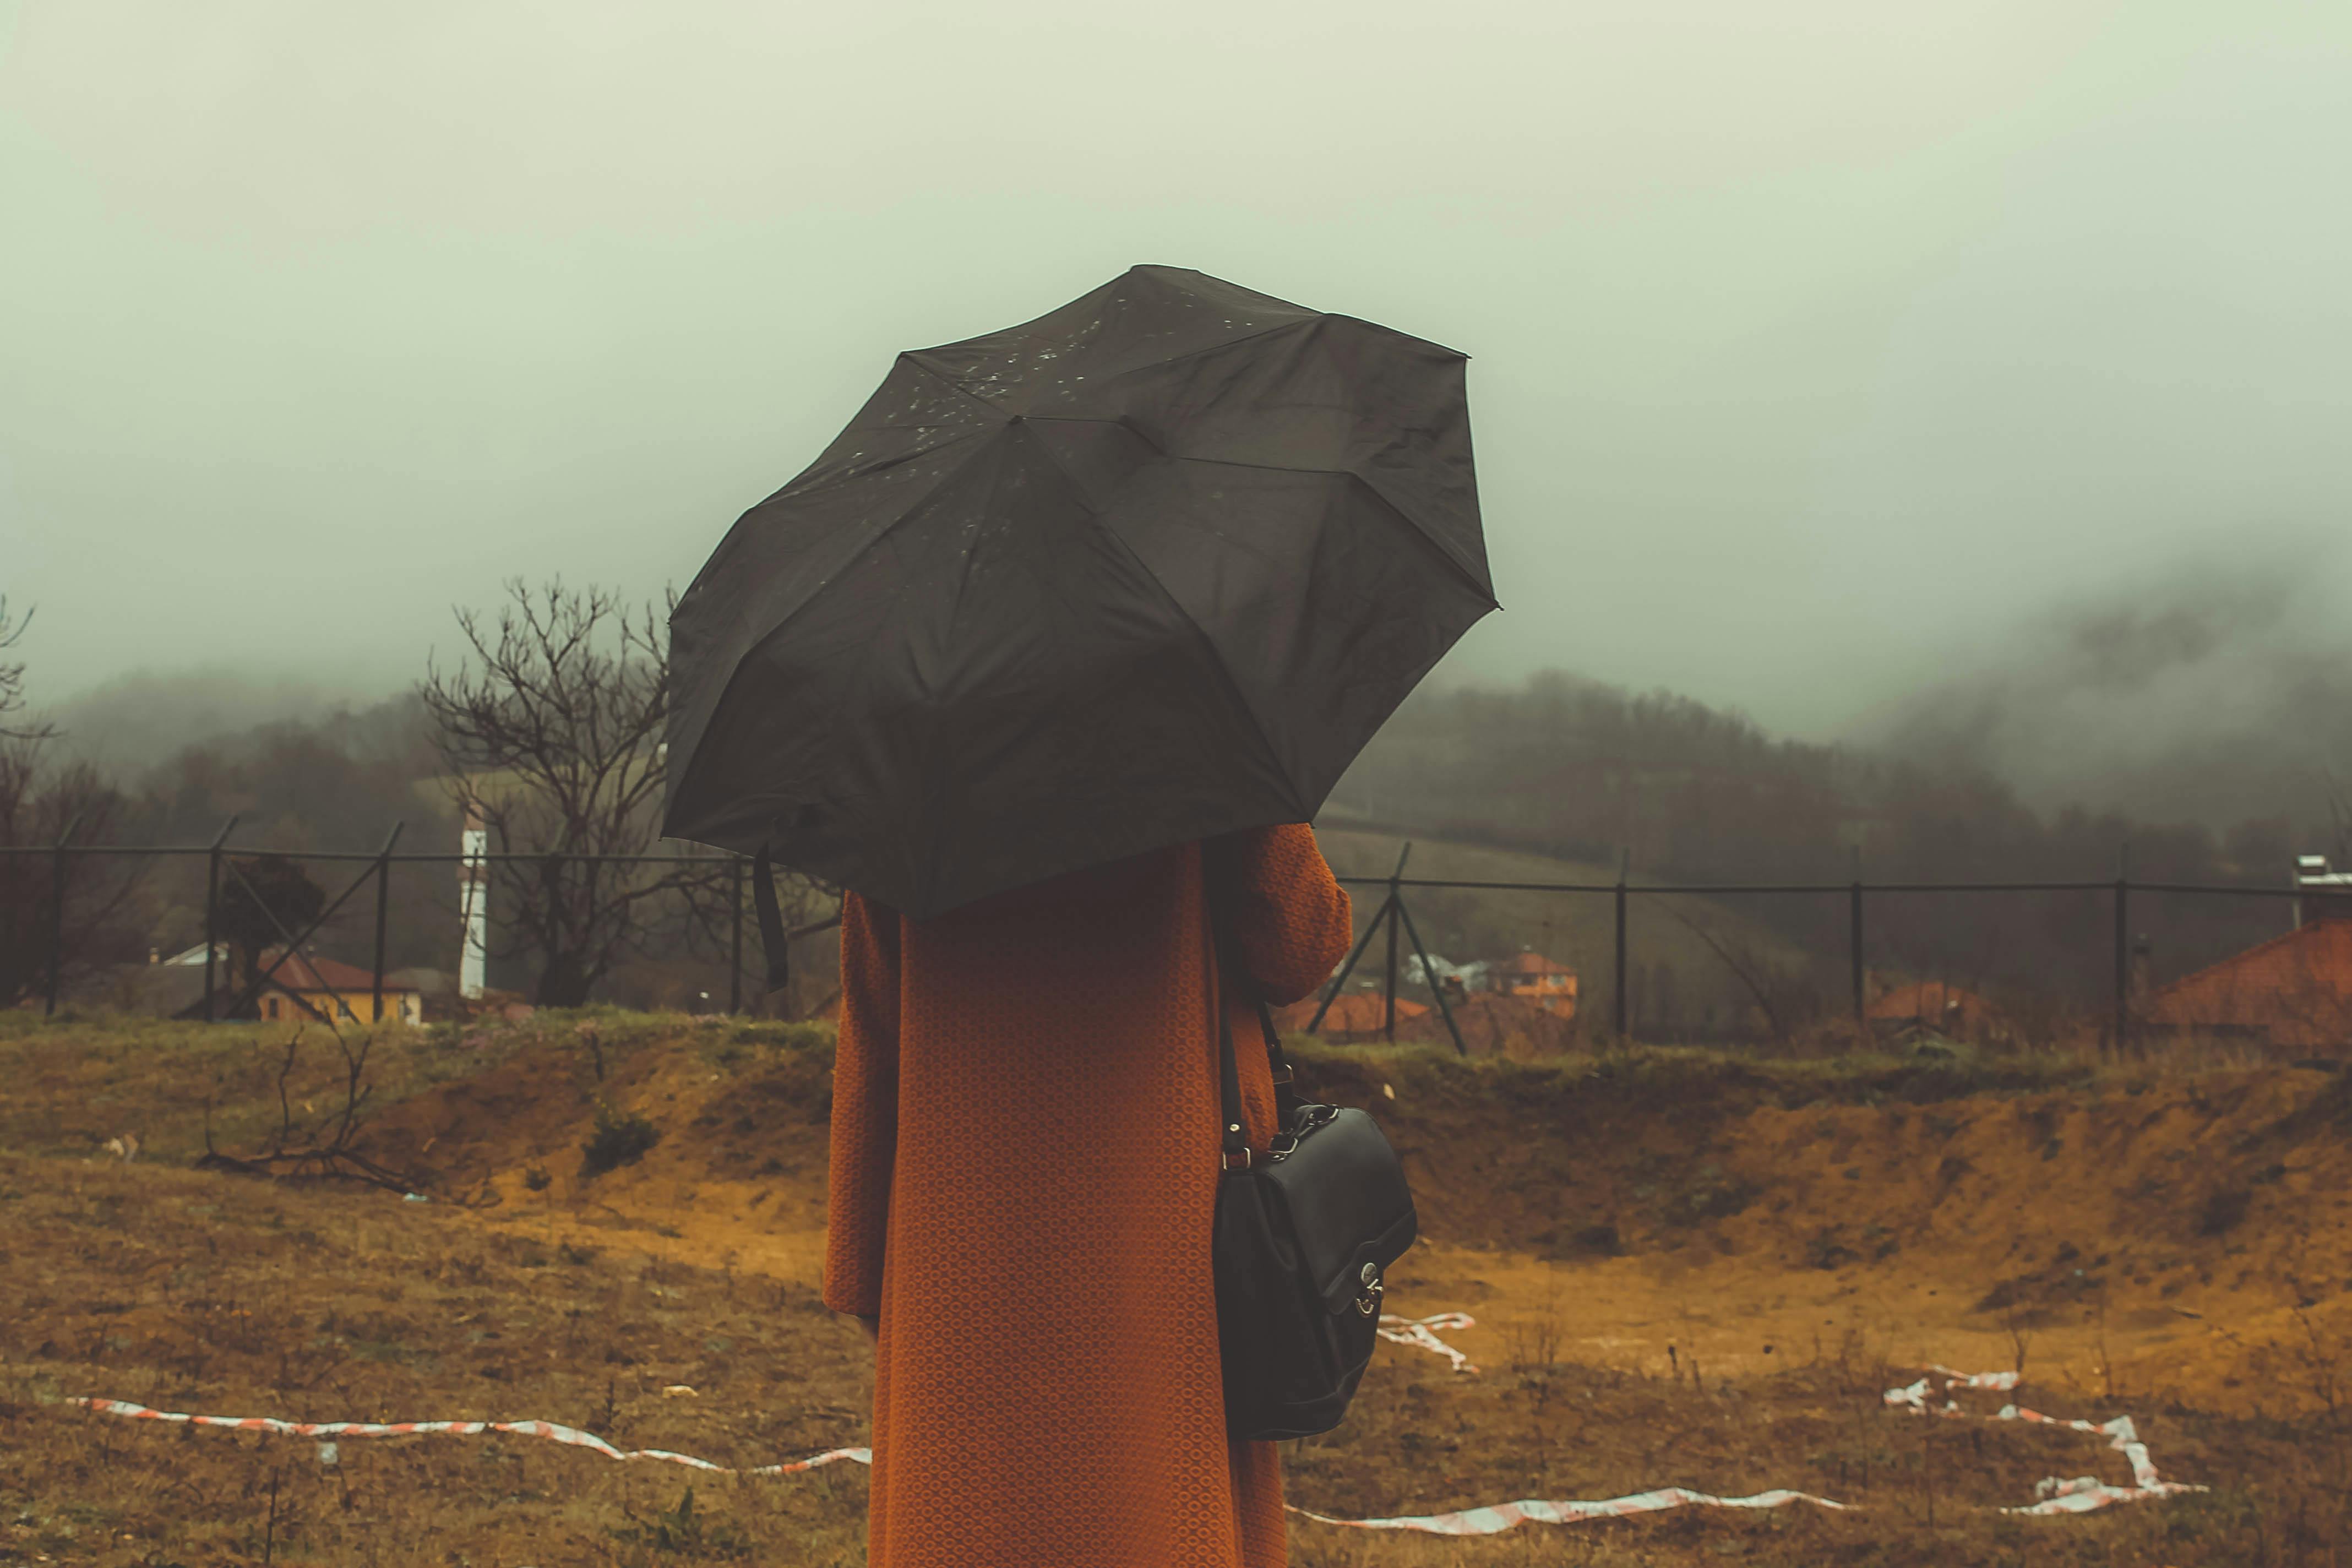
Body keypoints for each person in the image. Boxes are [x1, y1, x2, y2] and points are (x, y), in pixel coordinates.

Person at [824, 823, 1353, 1567]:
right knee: (1166, 1502)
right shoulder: (1195, 739)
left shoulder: (910, 770)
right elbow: (1300, 945)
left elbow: (874, 1023)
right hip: (1167, 1229)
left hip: (961, 1231)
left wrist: (863, 1264)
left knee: (966, 1511)